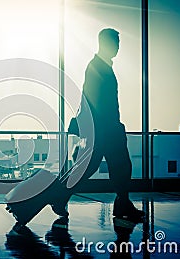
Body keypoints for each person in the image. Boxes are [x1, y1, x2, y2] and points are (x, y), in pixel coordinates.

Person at [52, 28, 144, 224]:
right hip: (105, 129)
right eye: (115, 43)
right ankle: (61, 197)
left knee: (105, 167)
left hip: (104, 129)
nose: (117, 48)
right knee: (108, 167)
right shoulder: (98, 68)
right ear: (105, 44)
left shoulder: (99, 66)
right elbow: (95, 100)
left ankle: (120, 203)